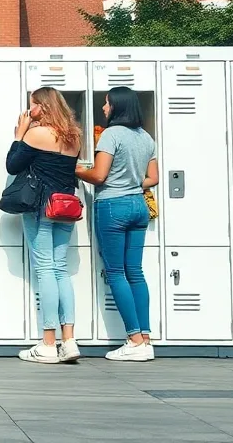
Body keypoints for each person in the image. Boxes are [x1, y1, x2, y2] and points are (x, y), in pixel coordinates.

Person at [78, 86, 159, 362]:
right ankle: (145, 339)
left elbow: (99, 176)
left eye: (106, 103)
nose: (103, 108)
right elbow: (153, 178)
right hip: (138, 206)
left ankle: (133, 340)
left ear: (117, 107)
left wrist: (76, 170)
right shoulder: (146, 137)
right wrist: (132, 183)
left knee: (115, 272)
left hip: (113, 206)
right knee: (134, 271)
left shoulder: (111, 135)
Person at [9, 87, 82, 364]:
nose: (31, 111)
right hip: (66, 206)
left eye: (33, 106)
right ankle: (70, 340)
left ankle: (48, 343)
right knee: (60, 268)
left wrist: (19, 134)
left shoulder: (37, 134)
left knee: (45, 269)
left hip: (41, 206)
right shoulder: (74, 137)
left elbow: (13, 165)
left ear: (43, 107)